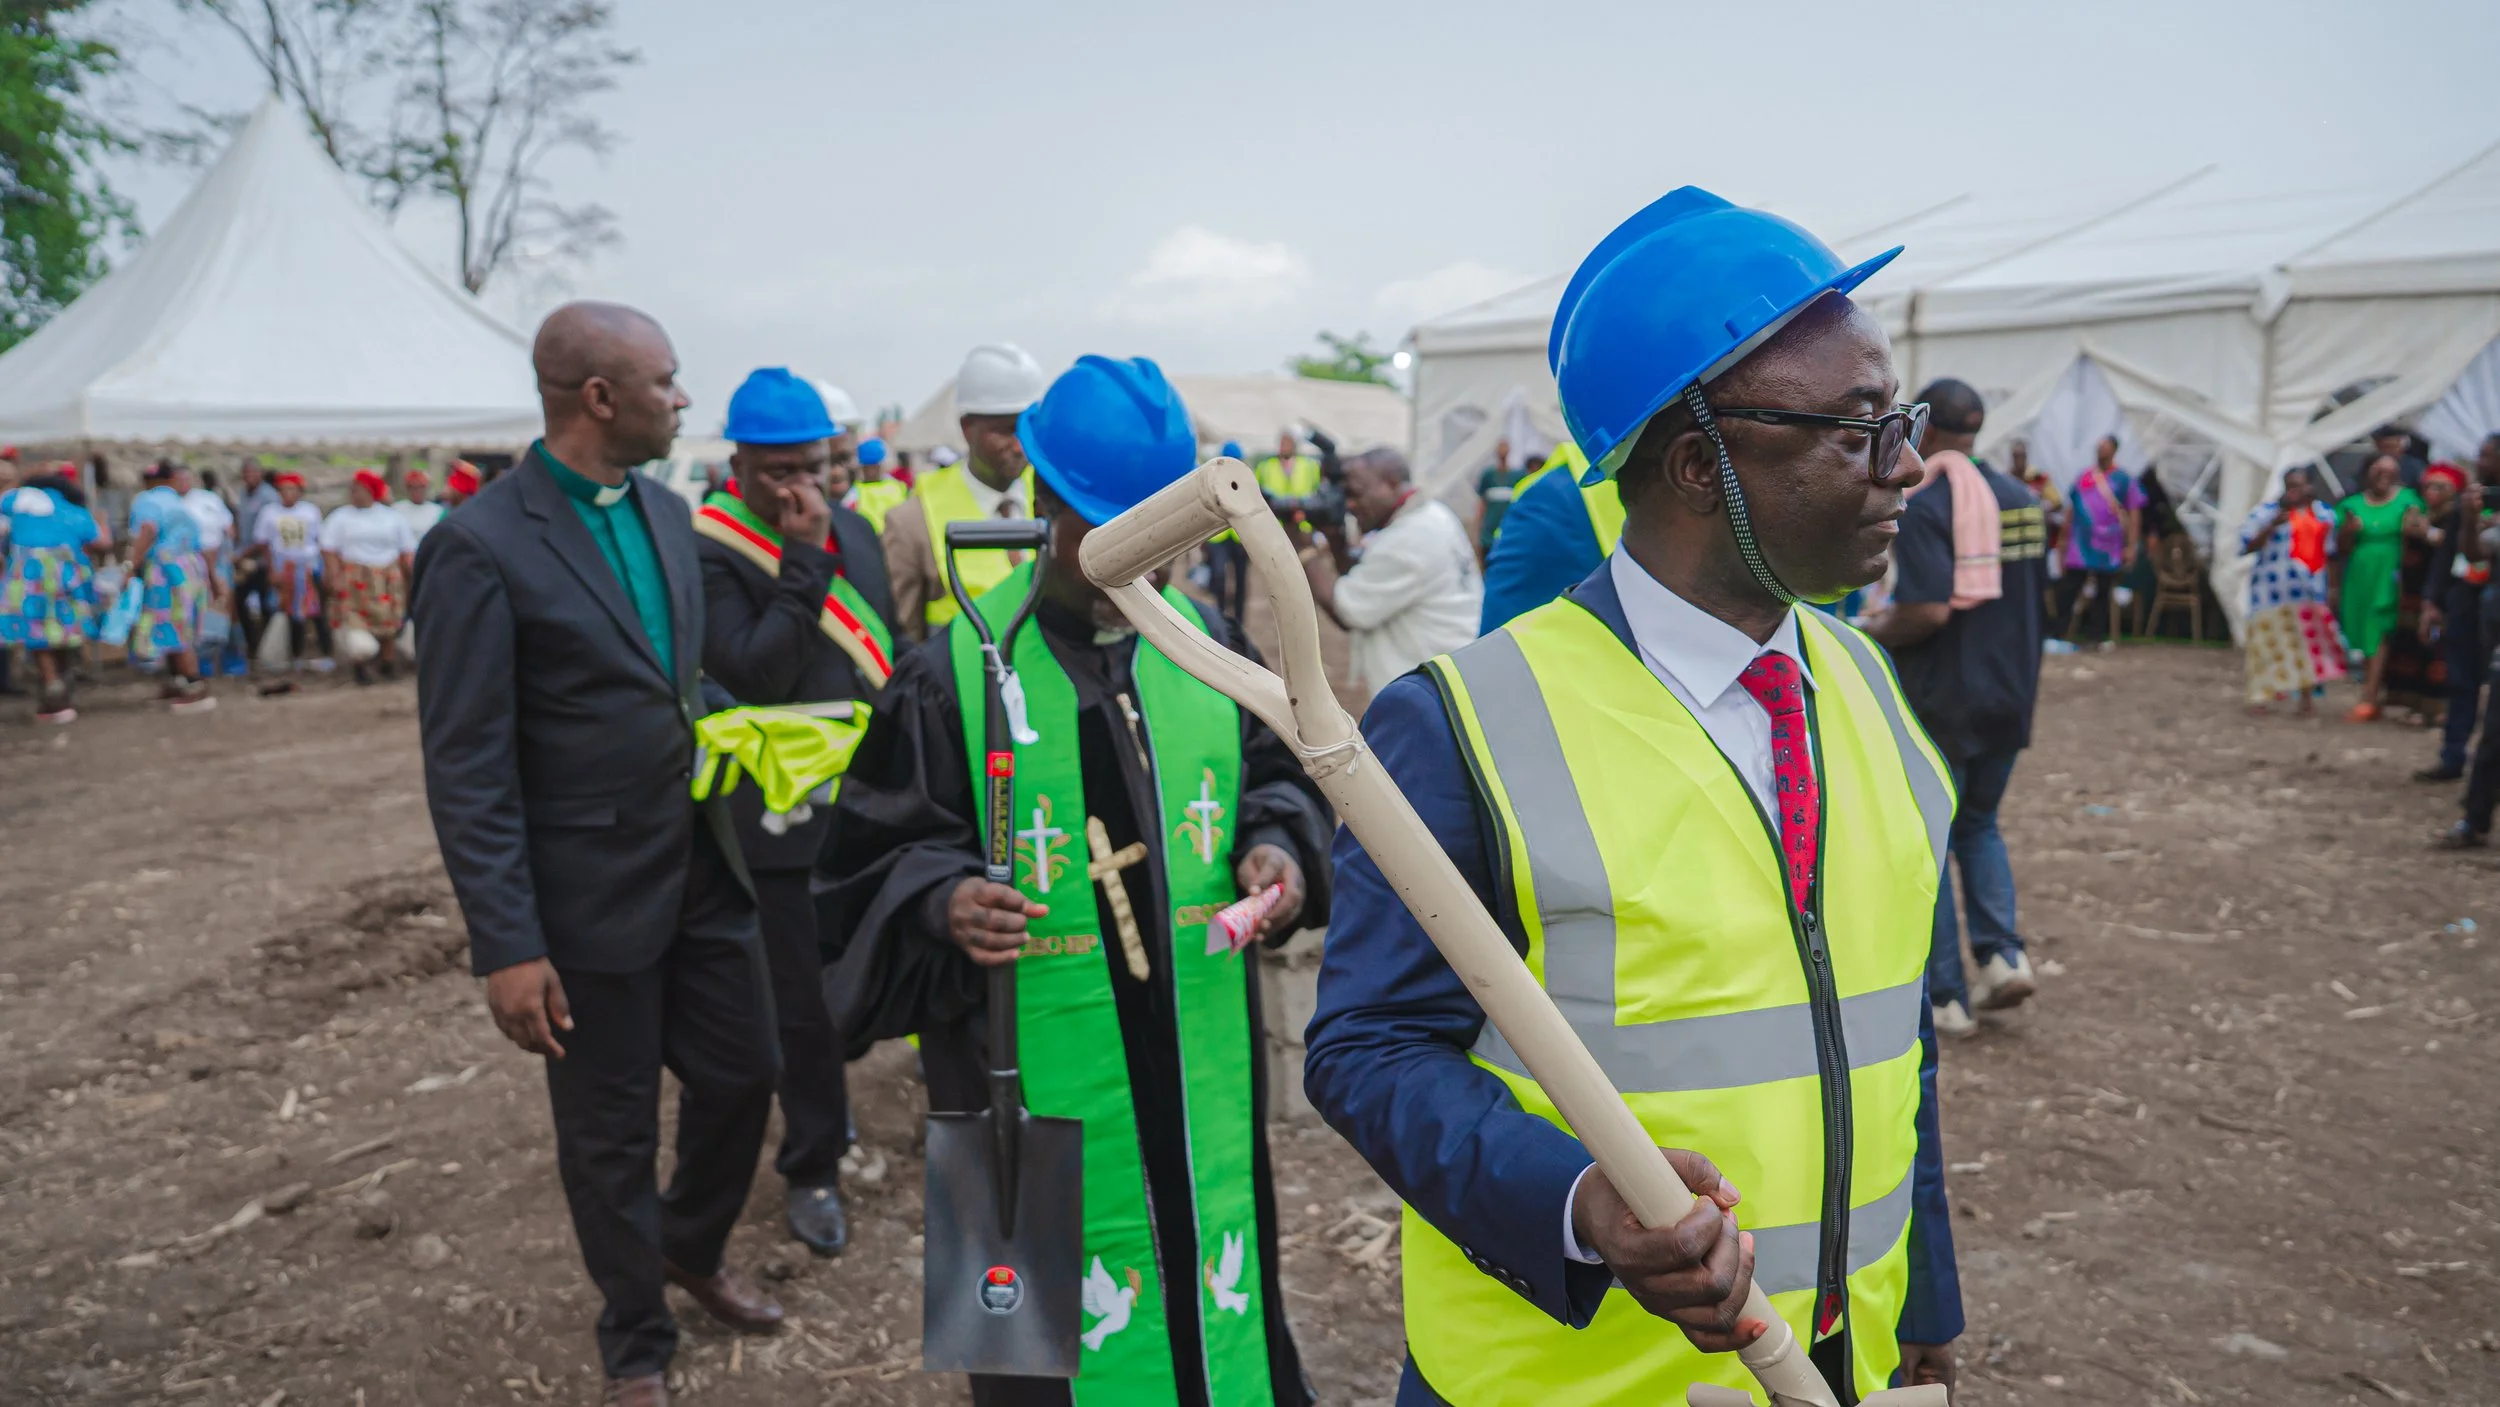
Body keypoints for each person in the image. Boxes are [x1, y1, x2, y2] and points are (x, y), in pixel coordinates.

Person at [1305, 187, 1962, 1404]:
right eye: (1857, 425)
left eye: (1900, 416)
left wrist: (1918, 1292)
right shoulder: (1464, 724)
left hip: (1826, 1362)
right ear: (1698, 467)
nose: (1907, 465)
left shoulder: (1866, 684)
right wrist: (1572, 1204)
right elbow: (1368, 1045)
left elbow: (1888, 1024)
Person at [819, 355, 1334, 1407]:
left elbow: (1275, 782)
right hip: (1017, 1084)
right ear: (1045, 504)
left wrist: (1276, 850)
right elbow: (861, 868)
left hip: (1199, 1062)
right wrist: (939, 897)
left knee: (1215, 1304)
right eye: (1104, 536)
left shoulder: (1209, 648)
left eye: (1158, 540)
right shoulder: (953, 669)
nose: (1129, 571)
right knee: (1032, 1357)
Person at [412, 302, 784, 1407]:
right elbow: (467, 764)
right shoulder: (475, 547)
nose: (683, 399)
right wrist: (507, 944)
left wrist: (751, 728)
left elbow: (672, 683)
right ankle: (635, 1341)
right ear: (598, 399)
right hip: (582, 907)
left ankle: (685, 1242)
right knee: (607, 1135)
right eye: (667, 382)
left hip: (702, 869)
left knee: (746, 1071)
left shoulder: (672, 517)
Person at [692, 367, 896, 1258]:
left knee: (865, 977)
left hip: (861, 802)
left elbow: (881, 658)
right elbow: (754, 669)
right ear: (737, 461)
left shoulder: (857, 528)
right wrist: (803, 561)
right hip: (769, 816)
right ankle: (813, 1160)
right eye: (776, 470)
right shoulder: (709, 547)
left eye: (814, 465)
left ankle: (849, 1118)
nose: (799, 487)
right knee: (798, 1007)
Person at [1866, 379, 2049, 1040]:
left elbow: (1928, 608)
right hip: (2012, 689)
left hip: (1947, 696)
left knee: (1935, 840)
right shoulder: (2019, 497)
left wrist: (1865, 634)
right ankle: (2003, 956)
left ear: (1927, 430)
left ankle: (1946, 996)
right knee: (1980, 824)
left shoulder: (1928, 500)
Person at [882, 343, 1047, 641]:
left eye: (1029, 429)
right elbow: (905, 638)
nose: (1020, 445)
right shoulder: (911, 522)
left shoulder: (1056, 500)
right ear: (967, 428)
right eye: (1006, 430)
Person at [1302, 448, 1481, 697]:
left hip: (1425, 694)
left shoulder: (1409, 539)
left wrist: (1303, 550)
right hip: (1449, 676)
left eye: (1356, 494)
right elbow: (1360, 572)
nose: (1350, 505)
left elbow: (1347, 611)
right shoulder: (1433, 516)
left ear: (1392, 482)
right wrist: (1334, 535)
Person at [2420, 436, 2500, 781]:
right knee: (2461, 680)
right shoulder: (2467, 503)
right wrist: (2432, 602)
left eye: (2486, 456)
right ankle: (2453, 755)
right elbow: (2450, 555)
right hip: (2466, 600)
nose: (2479, 461)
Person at [2238, 466, 2345, 716]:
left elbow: (2331, 555)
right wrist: (2273, 523)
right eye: (2290, 486)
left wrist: (2333, 587)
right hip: (2269, 590)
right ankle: (2261, 696)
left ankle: (2306, 699)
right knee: (2265, 644)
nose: (2295, 491)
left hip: (2307, 590)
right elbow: (2247, 545)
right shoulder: (2264, 513)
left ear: (2310, 487)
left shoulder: (2323, 515)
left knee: (2306, 646)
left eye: (2300, 485)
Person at [1, 464, 104, 722]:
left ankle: (51, 685)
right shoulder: (72, 508)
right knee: (66, 630)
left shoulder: (14, 499)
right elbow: (101, 542)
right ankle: (64, 680)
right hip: (69, 572)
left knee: (37, 631)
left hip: (29, 571)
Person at [2335, 453, 2424, 723]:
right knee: (2363, 632)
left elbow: (2416, 538)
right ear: (2367, 473)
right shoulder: (2351, 505)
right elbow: (2341, 549)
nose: (2384, 476)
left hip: (2391, 574)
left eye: (2390, 471)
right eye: (2378, 470)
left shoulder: (2408, 500)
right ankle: (2374, 692)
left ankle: (2369, 697)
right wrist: (2348, 532)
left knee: (2378, 632)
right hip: (2360, 576)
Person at [123, 463, 218, 711]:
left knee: (172, 625)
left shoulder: (147, 500)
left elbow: (148, 530)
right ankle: (178, 681)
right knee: (179, 624)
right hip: (190, 566)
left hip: (166, 569)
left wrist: (130, 565)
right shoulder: (179, 503)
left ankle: (193, 683)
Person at [320, 469, 418, 684]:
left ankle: (387, 663)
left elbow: (406, 551)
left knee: (389, 621)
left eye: (359, 490)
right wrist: (334, 575)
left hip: (386, 577)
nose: (354, 494)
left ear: (371, 491)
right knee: (355, 620)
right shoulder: (340, 517)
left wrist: (411, 577)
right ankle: (360, 667)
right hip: (355, 577)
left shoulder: (391, 517)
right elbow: (328, 549)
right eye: (352, 490)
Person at [2380, 464, 2460, 724]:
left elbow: (2452, 547)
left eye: (2440, 486)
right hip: (2412, 592)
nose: (2432, 492)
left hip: (2442, 592)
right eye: (2428, 485)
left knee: (2436, 650)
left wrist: (2428, 532)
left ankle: (2437, 706)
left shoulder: (2455, 517)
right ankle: (2411, 702)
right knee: (2411, 646)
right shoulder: (2418, 514)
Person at [2051, 436, 2142, 641]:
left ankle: (2095, 637)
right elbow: (2071, 509)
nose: (2100, 451)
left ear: (2114, 451)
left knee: (2103, 592)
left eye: (2105, 447)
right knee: (2069, 588)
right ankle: (2058, 633)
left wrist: (2131, 546)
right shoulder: (2084, 477)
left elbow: (2134, 513)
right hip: (2080, 546)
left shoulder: (2123, 479)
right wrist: (2064, 540)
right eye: (2099, 447)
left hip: (2109, 549)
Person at [250, 472, 329, 671]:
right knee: (286, 611)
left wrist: (323, 569)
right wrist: (272, 570)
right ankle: (291, 655)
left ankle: (326, 651)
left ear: (300, 492)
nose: (287, 494)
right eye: (283, 490)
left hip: (309, 568)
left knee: (316, 611)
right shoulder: (269, 512)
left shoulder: (310, 511)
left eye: (291, 489)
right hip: (283, 569)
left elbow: (320, 540)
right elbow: (264, 544)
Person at [1203, 439, 1254, 623]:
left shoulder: (1248, 482)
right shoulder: (1212, 480)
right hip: (1218, 536)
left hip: (1240, 537)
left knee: (1241, 579)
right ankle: (1220, 613)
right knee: (1219, 575)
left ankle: (1239, 619)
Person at [1473, 437, 1530, 561]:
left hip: (1510, 533)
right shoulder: (1488, 475)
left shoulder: (1518, 476)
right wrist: (1478, 531)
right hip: (1489, 533)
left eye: (1505, 447)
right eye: (1500, 447)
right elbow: (1482, 504)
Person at [848, 437, 907, 532]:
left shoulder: (897, 487)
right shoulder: (854, 492)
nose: (871, 471)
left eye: (874, 466)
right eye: (868, 467)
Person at [1254, 428, 1322, 502]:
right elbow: (1255, 488)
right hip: (1272, 510)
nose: (1284, 446)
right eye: (1283, 443)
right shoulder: (1265, 466)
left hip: (1302, 510)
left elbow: (1317, 490)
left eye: (1288, 442)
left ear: (1295, 444)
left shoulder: (1310, 465)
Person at [395, 469, 447, 542]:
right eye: (413, 487)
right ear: (408, 489)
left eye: (421, 487)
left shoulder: (437, 510)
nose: (417, 491)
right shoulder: (397, 508)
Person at [2371, 423, 2428, 491]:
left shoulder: (2414, 466)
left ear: (2401, 445)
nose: (2388, 452)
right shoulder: (2370, 465)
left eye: (2392, 447)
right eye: (2384, 448)